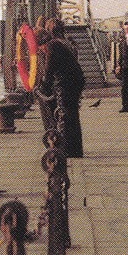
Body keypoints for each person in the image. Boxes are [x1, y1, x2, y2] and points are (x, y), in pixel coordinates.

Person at [37, 17, 85, 157]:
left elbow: (49, 68)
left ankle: (64, 149)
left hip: (66, 82)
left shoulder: (53, 45)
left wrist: (44, 85)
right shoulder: (65, 43)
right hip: (76, 81)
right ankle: (75, 150)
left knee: (63, 115)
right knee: (73, 116)